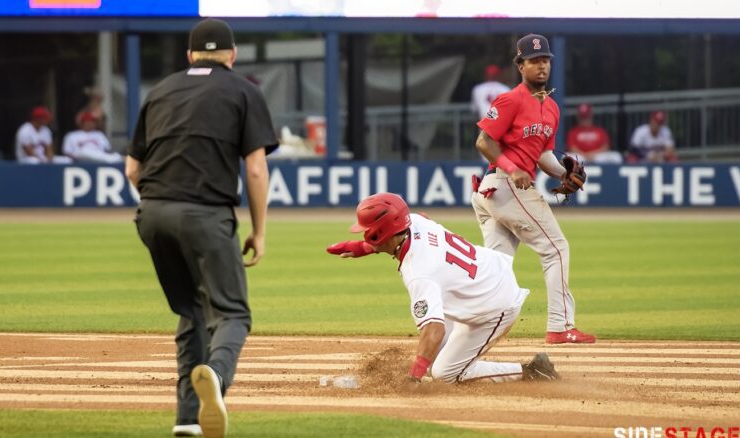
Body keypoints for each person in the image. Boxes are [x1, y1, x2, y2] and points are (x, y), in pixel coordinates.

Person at [126, 18, 276, 438]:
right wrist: (258, 231)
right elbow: (256, 168)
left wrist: (161, 205)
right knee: (232, 313)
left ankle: (188, 420)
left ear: (190, 55)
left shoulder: (160, 90)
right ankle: (217, 375)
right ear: (232, 55)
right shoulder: (244, 90)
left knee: (191, 311)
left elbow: (133, 168)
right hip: (205, 213)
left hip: (152, 213)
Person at [327, 193, 560, 384]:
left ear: (380, 233)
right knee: (437, 354)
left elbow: (434, 329)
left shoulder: (418, 273)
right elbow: (407, 231)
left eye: (368, 232)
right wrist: (366, 247)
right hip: (487, 274)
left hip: (496, 304)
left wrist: (414, 377)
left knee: (443, 374)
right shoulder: (415, 221)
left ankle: (532, 371)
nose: (365, 234)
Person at [472, 34, 597, 345]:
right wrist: (514, 169)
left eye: (545, 60)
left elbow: (542, 156)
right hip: (503, 183)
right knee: (556, 249)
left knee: (496, 266)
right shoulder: (510, 100)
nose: (541, 65)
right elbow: (483, 141)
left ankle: (474, 327)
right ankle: (560, 325)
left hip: (496, 192)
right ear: (520, 65)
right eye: (534, 60)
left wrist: (564, 172)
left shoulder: (551, 107)